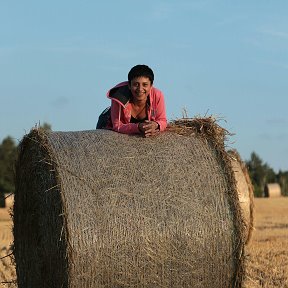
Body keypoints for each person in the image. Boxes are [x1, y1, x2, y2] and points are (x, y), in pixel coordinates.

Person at [97, 65, 167, 137]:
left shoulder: (158, 95)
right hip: (107, 120)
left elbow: (162, 120)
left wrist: (156, 125)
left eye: (145, 85)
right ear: (129, 85)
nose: (140, 89)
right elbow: (117, 125)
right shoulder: (118, 95)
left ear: (151, 86)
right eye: (135, 84)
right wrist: (138, 127)